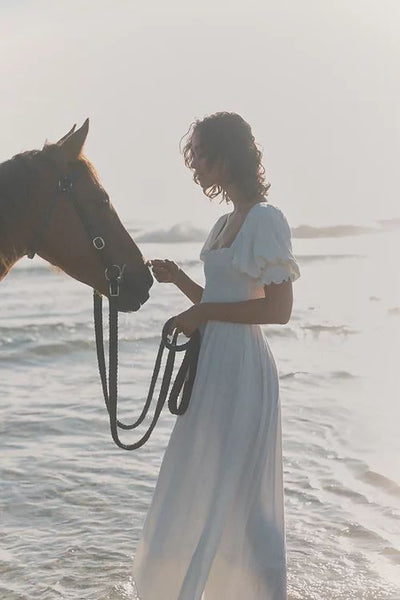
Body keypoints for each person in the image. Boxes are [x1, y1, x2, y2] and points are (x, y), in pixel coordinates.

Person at [132, 111, 301, 600]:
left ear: (228, 159)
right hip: (214, 370)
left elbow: (278, 309)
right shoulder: (226, 221)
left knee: (241, 489)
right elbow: (222, 296)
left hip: (245, 371)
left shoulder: (267, 220)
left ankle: (261, 591)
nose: (196, 164)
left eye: (203, 154)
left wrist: (202, 316)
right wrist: (181, 283)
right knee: (201, 477)